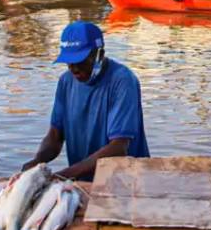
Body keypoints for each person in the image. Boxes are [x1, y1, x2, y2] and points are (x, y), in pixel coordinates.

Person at [23, 21, 149, 180]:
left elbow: (118, 147)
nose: (74, 69)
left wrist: (65, 175)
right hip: (81, 180)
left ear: (99, 55)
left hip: (125, 181)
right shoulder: (66, 82)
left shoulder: (122, 81)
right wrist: (37, 161)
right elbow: (55, 135)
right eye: (69, 62)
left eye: (81, 61)